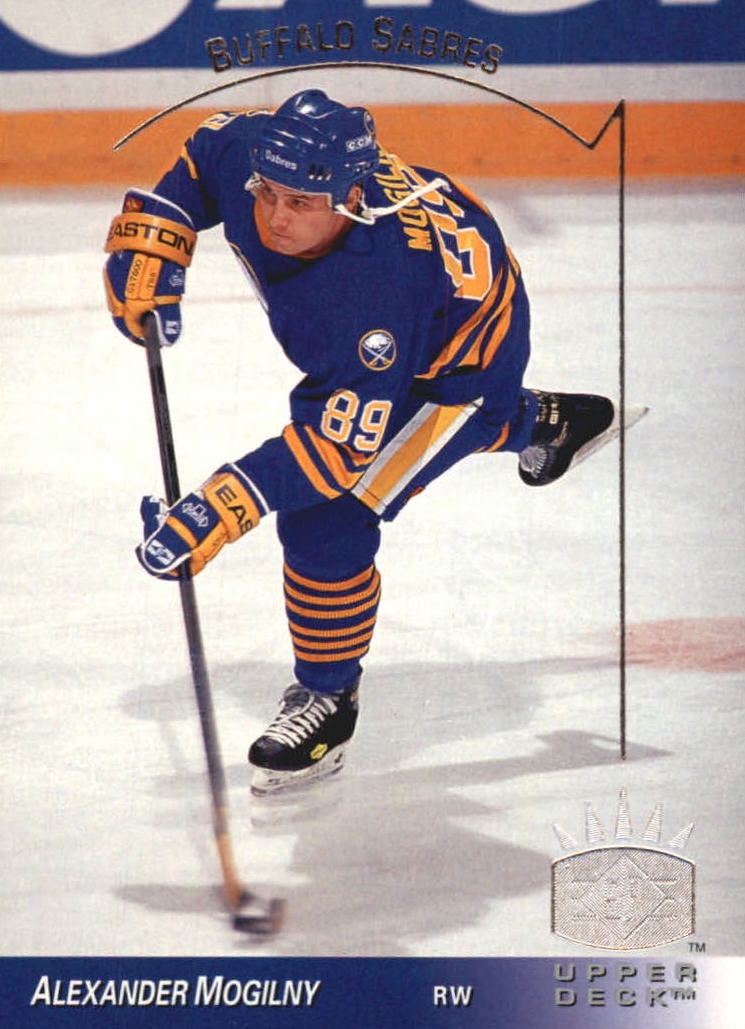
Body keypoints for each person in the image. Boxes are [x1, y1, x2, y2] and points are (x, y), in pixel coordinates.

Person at [104, 89, 625, 796]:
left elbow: (335, 453)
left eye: (300, 203)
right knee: (371, 456)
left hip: (458, 368)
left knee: (328, 517)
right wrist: (157, 235)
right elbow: (201, 157)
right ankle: (543, 423)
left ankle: (327, 700)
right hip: (429, 312)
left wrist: (214, 510)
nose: (275, 217)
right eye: (267, 193)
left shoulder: (374, 295)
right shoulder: (261, 153)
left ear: (351, 197)